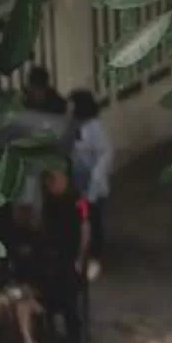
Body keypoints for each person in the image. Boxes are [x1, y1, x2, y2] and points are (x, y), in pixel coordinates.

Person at [34, 160, 90, 343]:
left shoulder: (77, 201)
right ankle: (50, 333)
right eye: (50, 180)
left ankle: (75, 341)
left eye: (56, 180)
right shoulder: (48, 200)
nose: (53, 184)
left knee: (69, 299)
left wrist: (79, 259)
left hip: (69, 257)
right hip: (51, 256)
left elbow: (85, 229)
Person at [68, 89, 113, 274]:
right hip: (77, 182)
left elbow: (105, 154)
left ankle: (95, 256)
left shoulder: (94, 128)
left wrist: (95, 179)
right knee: (80, 220)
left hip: (91, 184)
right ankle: (82, 255)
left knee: (92, 220)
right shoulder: (74, 126)